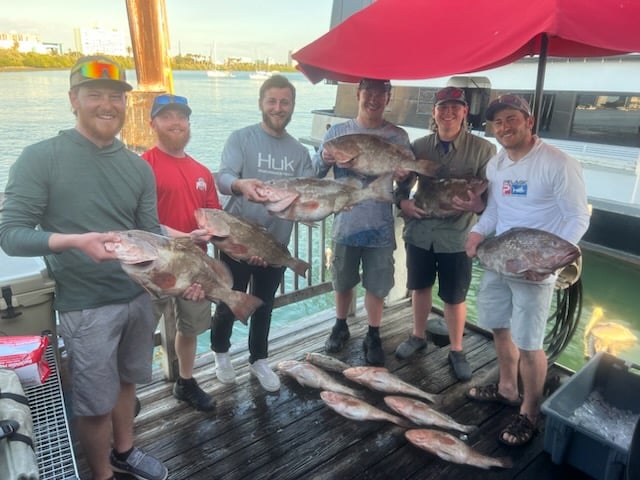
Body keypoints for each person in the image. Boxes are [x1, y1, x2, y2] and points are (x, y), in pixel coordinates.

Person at [0, 56, 189, 480]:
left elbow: (145, 232)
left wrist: (184, 256)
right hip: (86, 307)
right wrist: (75, 243)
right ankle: (101, 474)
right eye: (94, 95)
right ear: (73, 100)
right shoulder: (40, 158)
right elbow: (10, 233)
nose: (107, 105)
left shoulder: (137, 167)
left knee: (127, 384)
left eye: (116, 97)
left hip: (138, 297)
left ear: (127, 104)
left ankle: (125, 451)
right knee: (94, 402)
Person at [464, 94, 590, 447]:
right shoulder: (497, 164)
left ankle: (530, 412)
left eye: (511, 119)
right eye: (497, 123)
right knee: (499, 327)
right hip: (500, 261)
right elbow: (495, 213)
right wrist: (476, 233)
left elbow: (577, 217)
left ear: (529, 121)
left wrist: (549, 262)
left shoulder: (557, 163)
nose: (504, 128)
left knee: (531, 343)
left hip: (535, 272)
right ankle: (507, 387)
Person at [211, 74, 314, 392]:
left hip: (276, 245)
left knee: (264, 304)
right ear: (260, 103)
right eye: (272, 100)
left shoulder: (299, 152)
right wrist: (240, 185)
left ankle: (258, 359)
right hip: (236, 240)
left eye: (285, 102)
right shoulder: (240, 138)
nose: (278, 107)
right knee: (230, 299)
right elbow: (224, 177)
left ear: (293, 106)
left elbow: (308, 197)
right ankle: (221, 353)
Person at [393, 87, 496, 381]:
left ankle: (458, 348)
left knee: (454, 295)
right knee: (420, 287)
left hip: (457, 236)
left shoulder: (483, 150)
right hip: (421, 231)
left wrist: (479, 204)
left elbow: (492, 197)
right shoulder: (419, 146)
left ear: (465, 112)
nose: (448, 113)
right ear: (434, 112)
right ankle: (417, 335)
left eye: (455, 107)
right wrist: (403, 202)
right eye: (442, 107)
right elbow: (402, 183)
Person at [313, 78, 412, 366]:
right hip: (345, 221)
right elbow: (317, 170)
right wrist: (324, 155)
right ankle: (340, 324)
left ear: (388, 98)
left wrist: (407, 179)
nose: (374, 98)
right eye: (368, 92)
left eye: (381, 93)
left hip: (380, 225)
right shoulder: (338, 133)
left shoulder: (398, 136)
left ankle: (373, 333)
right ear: (358, 94)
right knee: (342, 280)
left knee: (377, 284)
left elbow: (406, 185)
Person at [142, 94, 221, 411]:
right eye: (167, 116)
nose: (176, 122)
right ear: (153, 124)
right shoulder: (142, 166)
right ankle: (128, 392)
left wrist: (218, 235)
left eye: (181, 116)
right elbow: (137, 220)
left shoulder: (202, 170)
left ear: (189, 123)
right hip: (152, 265)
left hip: (193, 266)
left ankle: (185, 382)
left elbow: (215, 216)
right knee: (140, 330)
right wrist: (183, 236)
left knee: (190, 327)